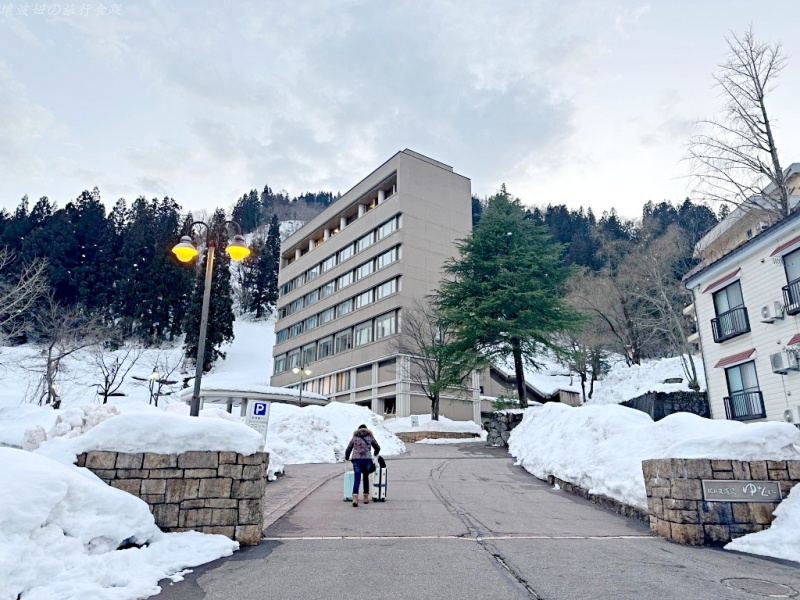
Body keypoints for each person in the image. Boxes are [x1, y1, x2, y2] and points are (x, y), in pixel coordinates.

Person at [344, 423, 381, 507]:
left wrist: (346, 457)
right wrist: (375, 453)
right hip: (367, 460)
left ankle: (355, 498)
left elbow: (349, 448)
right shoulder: (370, 436)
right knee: (365, 478)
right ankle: (365, 498)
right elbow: (377, 447)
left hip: (356, 460)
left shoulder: (355, 437)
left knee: (357, 479)